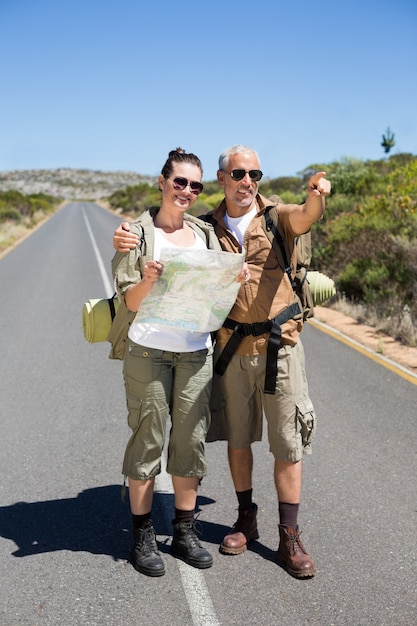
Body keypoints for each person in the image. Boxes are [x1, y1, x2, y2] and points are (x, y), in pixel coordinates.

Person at [113, 145, 331, 579]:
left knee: (260, 443)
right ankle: (207, 523)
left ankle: (274, 535)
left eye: (254, 173)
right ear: (222, 179)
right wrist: (133, 247)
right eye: (237, 174)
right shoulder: (177, 229)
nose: (246, 181)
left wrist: (317, 195)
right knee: (212, 438)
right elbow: (135, 287)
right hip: (196, 350)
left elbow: (306, 218)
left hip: (247, 348)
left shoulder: (246, 222)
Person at [111, 147, 249, 578]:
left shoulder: (203, 234)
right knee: (148, 439)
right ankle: (142, 534)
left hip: (194, 353)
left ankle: (185, 530)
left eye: (195, 185)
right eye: (179, 182)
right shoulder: (135, 234)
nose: (187, 190)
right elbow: (129, 301)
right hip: (147, 351)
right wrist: (148, 280)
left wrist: (233, 277)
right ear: (162, 181)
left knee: (189, 441)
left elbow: (214, 294)